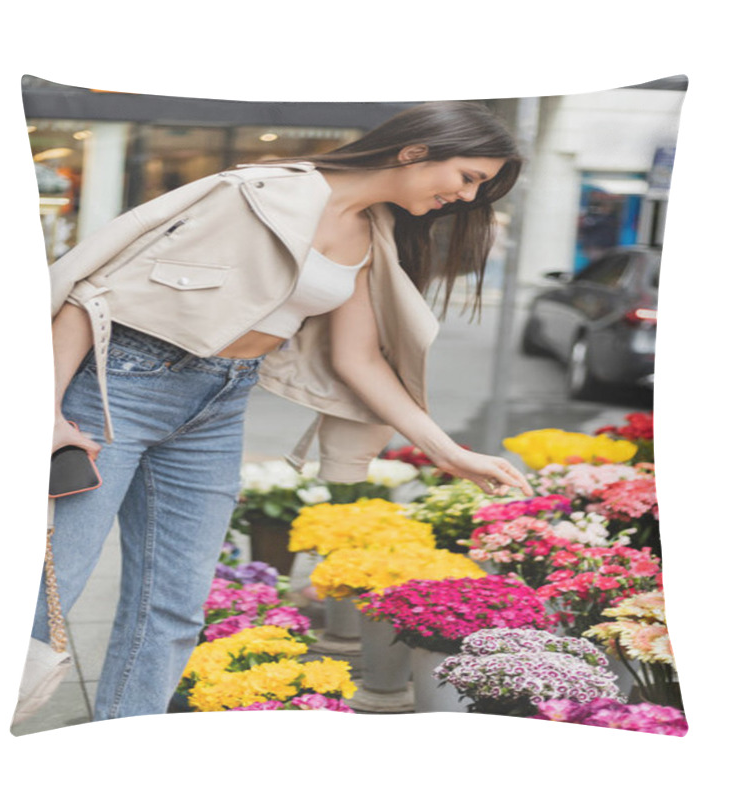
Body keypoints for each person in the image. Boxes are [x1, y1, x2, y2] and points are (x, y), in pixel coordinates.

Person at [28, 100, 534, 722]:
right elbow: (92, 295)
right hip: (119, 388)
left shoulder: (371, 232)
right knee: (53, 587)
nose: (466, 196)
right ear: (414, 152)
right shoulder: (261, 196)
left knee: (174, 603)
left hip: (218, 405)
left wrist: (447, 449)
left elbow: (360, 360)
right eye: (468, 177)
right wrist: (48, 413)